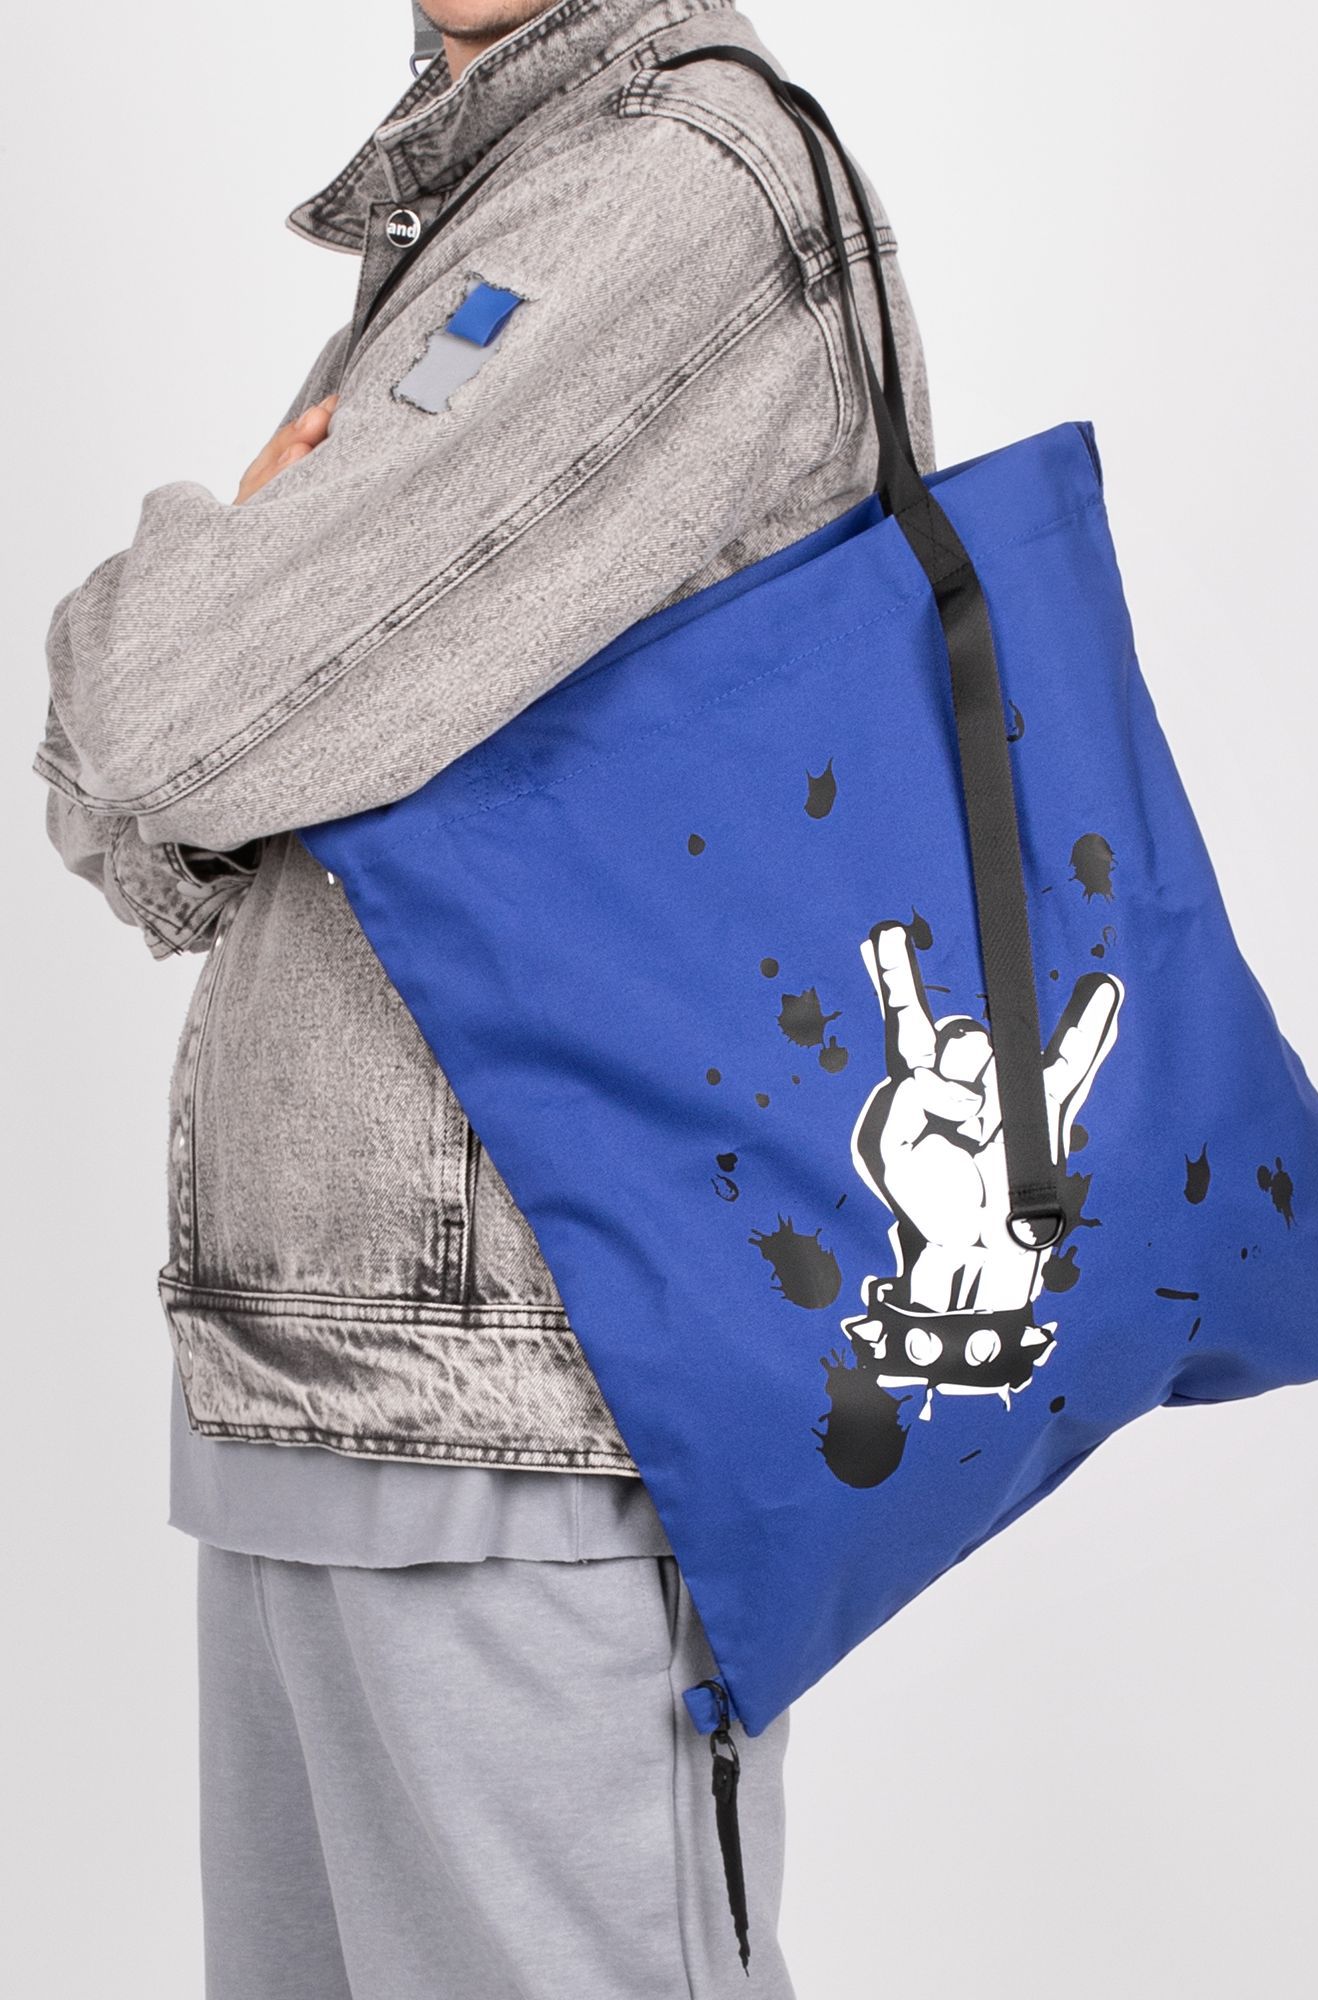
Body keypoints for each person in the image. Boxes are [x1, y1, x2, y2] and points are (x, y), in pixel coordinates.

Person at [35, 1, 932, 1993]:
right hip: (315, 1372)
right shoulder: (488, 203)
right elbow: (184, 792)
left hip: (532, 1399)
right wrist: (213, 695)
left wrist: (198, 571)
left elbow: (165, 713)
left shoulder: (678, 194)